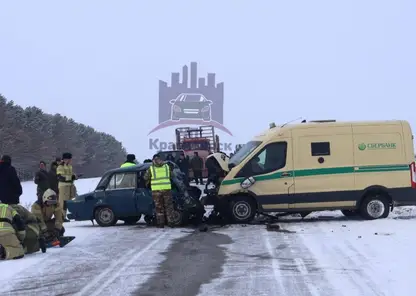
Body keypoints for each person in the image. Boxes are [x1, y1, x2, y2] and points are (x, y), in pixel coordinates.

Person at [143, 154, 175, 228]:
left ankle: (161, 223)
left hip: (156, 191)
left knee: (159, 207)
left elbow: (145, 178)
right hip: (167, 189)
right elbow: (172, 176)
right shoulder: (167, 167)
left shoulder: (151, 169)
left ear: (153, 160)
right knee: (169, 206)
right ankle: (171, 222)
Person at [56, 153, 77, 221]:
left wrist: (75, 177)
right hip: (63, 186)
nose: (71, 160)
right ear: (66, 159)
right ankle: (62, 217)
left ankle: (73, 214)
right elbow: (60, 177)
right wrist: (71, 177)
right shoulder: (60, 167)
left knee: (71, 201)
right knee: (63, 202)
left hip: (70, 185)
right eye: (70, 159)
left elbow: (70, 175)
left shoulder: (69, 166)